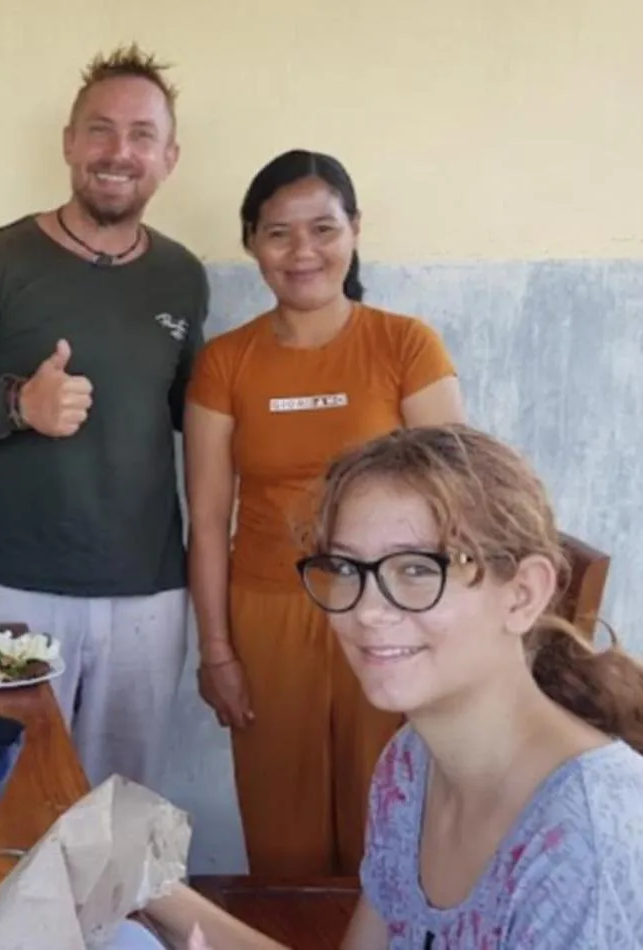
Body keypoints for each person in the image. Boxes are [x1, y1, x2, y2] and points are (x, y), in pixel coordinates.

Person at [0, 43, 209, 788]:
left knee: (124, 803)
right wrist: (15, 404)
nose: (118, 152)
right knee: (13, 797)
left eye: (141, 135)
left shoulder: (180, 275)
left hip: (149, 592)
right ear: (69, 143)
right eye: (100, 130)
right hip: (21, 587)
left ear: (168, 158)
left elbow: (192, 416)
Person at [315, 425, 643, 947]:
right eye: (346, 567)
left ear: (523, 594)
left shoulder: (590, 849)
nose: (367, 609)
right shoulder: (410, 766)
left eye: (416, 568)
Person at [183, 149, 465, 878]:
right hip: (267, 615)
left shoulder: (405, 345)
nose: (302, 251)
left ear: (354, 231)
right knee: (282, 834)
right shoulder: (226, 362)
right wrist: (216, 652)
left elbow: (457, 501)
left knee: (392, 820)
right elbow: (207, 519)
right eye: (278, 233)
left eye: (323, 228)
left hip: (391, 610)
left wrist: (449, 635)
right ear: (251, 243)